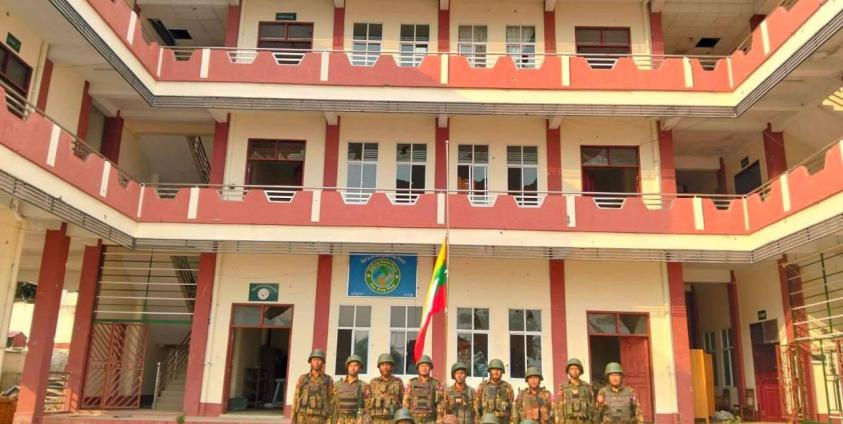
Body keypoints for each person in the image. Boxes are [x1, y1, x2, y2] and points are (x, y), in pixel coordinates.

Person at [293, 349, 334, 424]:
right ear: (310, 361)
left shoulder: (328, 380)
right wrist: (293, 418)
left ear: (323, 362)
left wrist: (330, 419)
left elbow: (331, 400)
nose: (316, 362)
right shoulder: (303, 378)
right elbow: (296, 398)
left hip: (321, 418)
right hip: (303, 418)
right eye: (314, 360)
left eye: (319, 360)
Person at [403, 355, 444, 424]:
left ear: (430, 368)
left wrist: (439, 419)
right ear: (418, 368)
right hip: (413, 420)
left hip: (431, 420)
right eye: (421, 366)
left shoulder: (436, 383)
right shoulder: (411, 383)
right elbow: (405, 402)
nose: (424, 368)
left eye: (426, 366)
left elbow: (440, 403)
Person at [367, 353, 406, 424]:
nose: (385, 368)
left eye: (388, 365)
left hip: (393, 420)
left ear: (392, 367)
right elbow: (367, 403)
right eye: (382, 365)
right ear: (379, 367)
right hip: (376, 421)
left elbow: (404, 402)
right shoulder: (373, 382)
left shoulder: (398, 382)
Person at [555, 358, 593, 424]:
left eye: (577, 369)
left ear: (580, 370)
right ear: (568, 370)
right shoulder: (563, 387)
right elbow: (559, 408)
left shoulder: (587, 387)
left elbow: (592, 408)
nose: (574, 371)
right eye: (572, 369)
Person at [333, 354, 368, 424]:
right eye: (350, 365)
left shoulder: (364, 386)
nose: (353, 368)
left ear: (360, 368)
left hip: (356, 421)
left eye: (356, 365)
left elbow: (367, 407)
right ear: (347, 367)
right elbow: (333, 407)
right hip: (340, 421)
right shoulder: (337, 385)